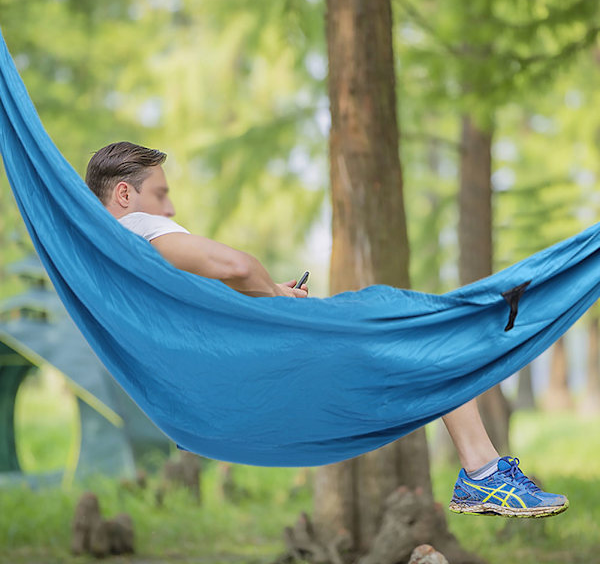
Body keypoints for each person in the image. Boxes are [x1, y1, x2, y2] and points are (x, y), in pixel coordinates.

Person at [85, 141, 569, 518]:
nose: (169, 209)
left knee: (422, 346)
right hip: (271, 356)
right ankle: (482, 471)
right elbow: (230, 263)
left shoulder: (107, 262)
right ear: (125, 194)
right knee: (414, 326)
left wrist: (268, 292)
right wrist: (277, 303)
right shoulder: (137, 229)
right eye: (162, 194)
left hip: (224, 389)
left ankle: (481, 468)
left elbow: (201, 309)